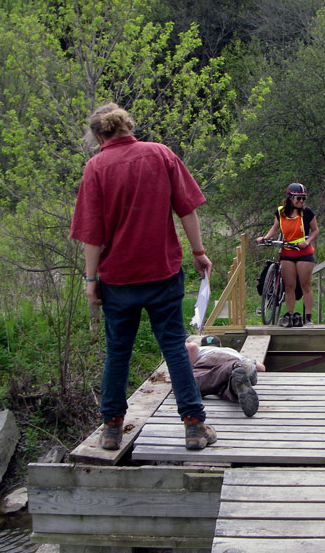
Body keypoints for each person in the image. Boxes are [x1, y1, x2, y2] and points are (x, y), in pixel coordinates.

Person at [69, 103, 217, 452]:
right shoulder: (161, 155)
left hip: (118, 280)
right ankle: (194, 426)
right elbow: (187, 209)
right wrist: (198, 252)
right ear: (126, 126)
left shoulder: (96, 168)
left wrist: (91, 281)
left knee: (117, 353)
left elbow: (93, 235)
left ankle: (111, 429)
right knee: (175, 349)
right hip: (161, 273)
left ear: (98, 135)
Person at [256, 183, 319, 327]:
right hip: (287, 251)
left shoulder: (308, 212)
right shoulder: (281, 212)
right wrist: (265, 238)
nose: (301, 201)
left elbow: (315, 230)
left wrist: (307, 241)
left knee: (305, 285)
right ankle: (289, 315)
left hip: (304, 253)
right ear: (290, 198)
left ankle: (308, 318)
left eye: (304, 198)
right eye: (299, 198)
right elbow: (275, 228)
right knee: (289, 286)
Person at [185, 335, 266, 417]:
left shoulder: (202, 349)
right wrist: (251, 363)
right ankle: (234, 382)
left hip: (207, 359)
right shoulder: (230, 350)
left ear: (203, 344)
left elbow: (191, 347)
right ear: (220, 345)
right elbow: (262, 368)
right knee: (224, 387)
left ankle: (234, 373)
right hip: (230, 359)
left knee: (190, 384)